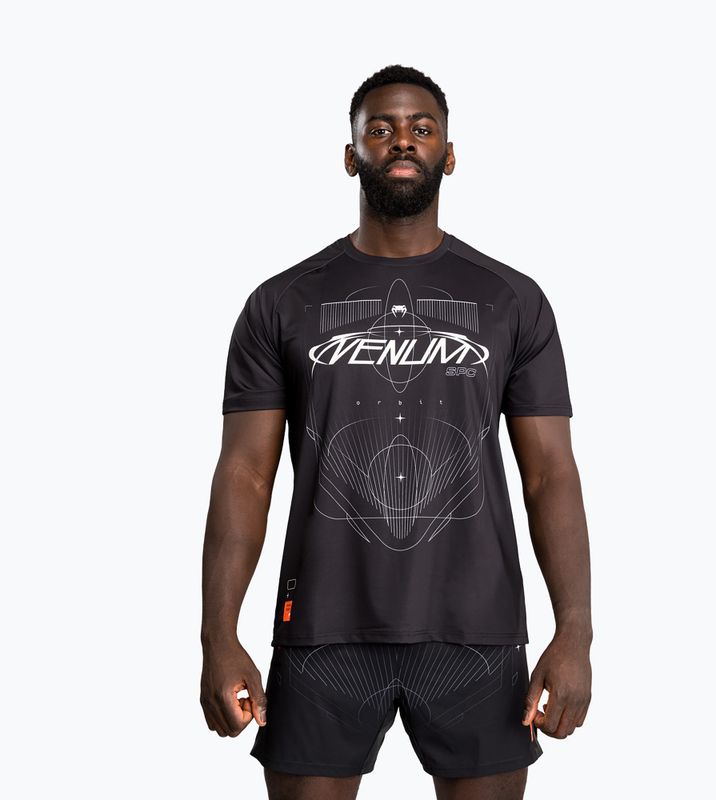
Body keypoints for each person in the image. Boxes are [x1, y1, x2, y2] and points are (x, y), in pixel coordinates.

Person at [200, 64, 592, 800]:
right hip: (323, 631)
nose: (402, 141)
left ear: (450, 154)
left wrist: (575, 632)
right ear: (351, 156)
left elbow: (551, 474)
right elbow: (244, 475)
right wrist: (217, 634)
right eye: (380, 129)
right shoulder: (281, 302)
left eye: (421, 128)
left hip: (477, 634)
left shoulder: (512, 299)